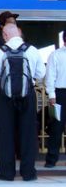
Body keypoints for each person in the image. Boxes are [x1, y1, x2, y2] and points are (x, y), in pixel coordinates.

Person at [0, 23, 45, 181]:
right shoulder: (32, 50)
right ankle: (28, 173)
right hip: (28, 95)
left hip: (5, 96)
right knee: (28, 134)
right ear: (19, 33)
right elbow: (40, 73)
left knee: (6, 134)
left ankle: (6, 173)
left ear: (5, 35)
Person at [45, 30, 66, 168]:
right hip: (60, 94)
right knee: (56, 128)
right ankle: (51, 160)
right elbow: (50, 76)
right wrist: (51, 95)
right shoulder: (55, 55)